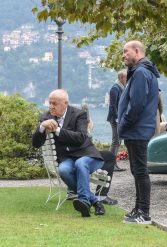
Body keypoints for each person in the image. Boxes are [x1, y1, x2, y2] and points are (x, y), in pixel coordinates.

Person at [32, 89, 105, 217]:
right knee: (64, 170)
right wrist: (42, 127)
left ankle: (83, 200)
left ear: (65, 103)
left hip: (86, 154)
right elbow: (36, 144)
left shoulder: (79, 114)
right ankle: (94, 201)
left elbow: (81, 137)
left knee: (81, 164)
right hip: (67, 158)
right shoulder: (46, 117)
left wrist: (58, 130)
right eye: (50, 103)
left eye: (54, 103)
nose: (51, 106)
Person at [117, 40, 159, 224]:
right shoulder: (141, 71)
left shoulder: (141, 72)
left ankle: (144, 212)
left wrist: (124, 123)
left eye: (126, 52)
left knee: (140, 171)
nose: (123, 55)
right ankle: (138, 208)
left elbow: (137, 105)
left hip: (137, 130)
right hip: (136, 130)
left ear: (137, 51)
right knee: (136, 170)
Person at [107, 69, 127, 172]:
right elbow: (112, 106)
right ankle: (111, 164)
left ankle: (113, 163)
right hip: (115, 119)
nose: (127, 79)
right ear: (121, 78)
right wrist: (117, 119)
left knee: (118, 141)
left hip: (119, 118)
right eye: (126, 77)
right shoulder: (115, 88)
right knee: (115, 141)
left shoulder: (121, 87)